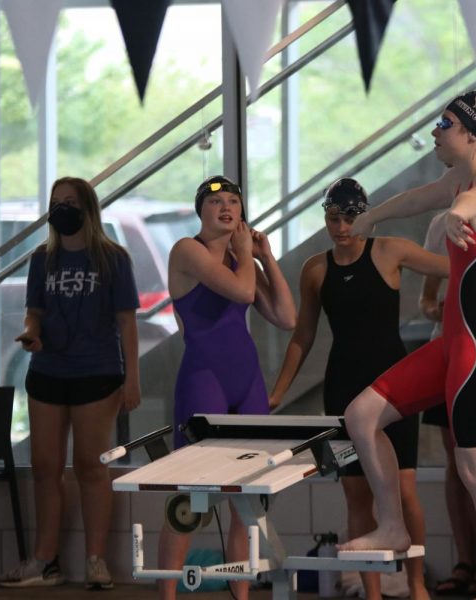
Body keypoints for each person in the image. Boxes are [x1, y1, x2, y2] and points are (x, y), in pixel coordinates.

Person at [340, 89, 476, 600]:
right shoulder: (455, 180)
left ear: (472, 133)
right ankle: (393, 526)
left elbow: (470, 205)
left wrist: (457, 216)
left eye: (444, 124)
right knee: (361, 415)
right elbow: (417, 200)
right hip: (450, 348)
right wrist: (371, 219)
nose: (436, 133)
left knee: (475, 472)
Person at [269, 177, 448, 600]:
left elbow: (453, 268)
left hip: (394, 385)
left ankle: (416, 585)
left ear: (364, 216)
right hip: (345, 386)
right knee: (357, 493)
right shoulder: (316, 268)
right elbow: (303, 336)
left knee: (403, 491)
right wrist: (276, 393)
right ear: (326, 219)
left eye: (350, 217)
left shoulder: (390, 250)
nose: (343, 227)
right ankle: (371, 592)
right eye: (334, 218)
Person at [0, 176, 141, 590]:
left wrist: (132, 378)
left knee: (91, 467)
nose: (61, 208)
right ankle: (45, 561)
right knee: (45, 467)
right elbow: (34, 311)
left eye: (69, 201)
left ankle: (97, 560)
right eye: (56, 201)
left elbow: (127, 322)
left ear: (88, 208)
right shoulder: (44, 258)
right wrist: (31, 332)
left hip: (97, 373)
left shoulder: (113, 258)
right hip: (47, 372)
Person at [158, 175, 296, 600]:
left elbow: (288, 317)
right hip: (205, 381)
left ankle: (242, 593)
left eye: (234, 201)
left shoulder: (244, 263)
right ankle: (165, 595)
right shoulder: (188, 251)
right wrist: (243, 258)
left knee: (247, 498)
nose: (226, 208)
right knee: (190, 497)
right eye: (216, 202)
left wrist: (266, 258)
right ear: (200, 210)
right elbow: (239, 291)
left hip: (247, 381)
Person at [418, 211, 476, 596]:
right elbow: (426, 299)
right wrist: (438, 308)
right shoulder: (442, 222)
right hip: (448, 348)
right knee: (455, 460)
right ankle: (465, 559)